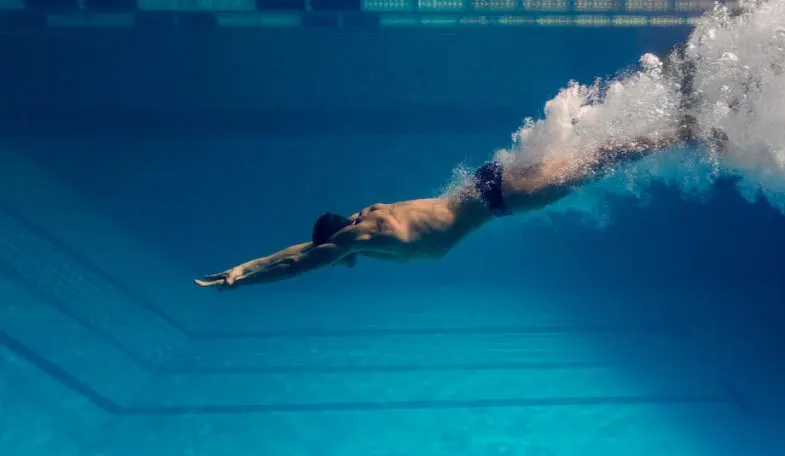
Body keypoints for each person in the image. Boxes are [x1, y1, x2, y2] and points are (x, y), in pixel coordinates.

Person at [194, 116, 707, 290]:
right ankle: (678, 129)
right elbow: (307, 247)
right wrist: (251, 261)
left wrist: (244, 275)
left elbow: (300, 261)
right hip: (486, 183)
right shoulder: (370, 215)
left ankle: (683, 131)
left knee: (596, 164)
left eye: (340, 254)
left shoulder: (362, 237)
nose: (343, 260)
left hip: (498, 198)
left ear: (341, 240)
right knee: (593, 158)